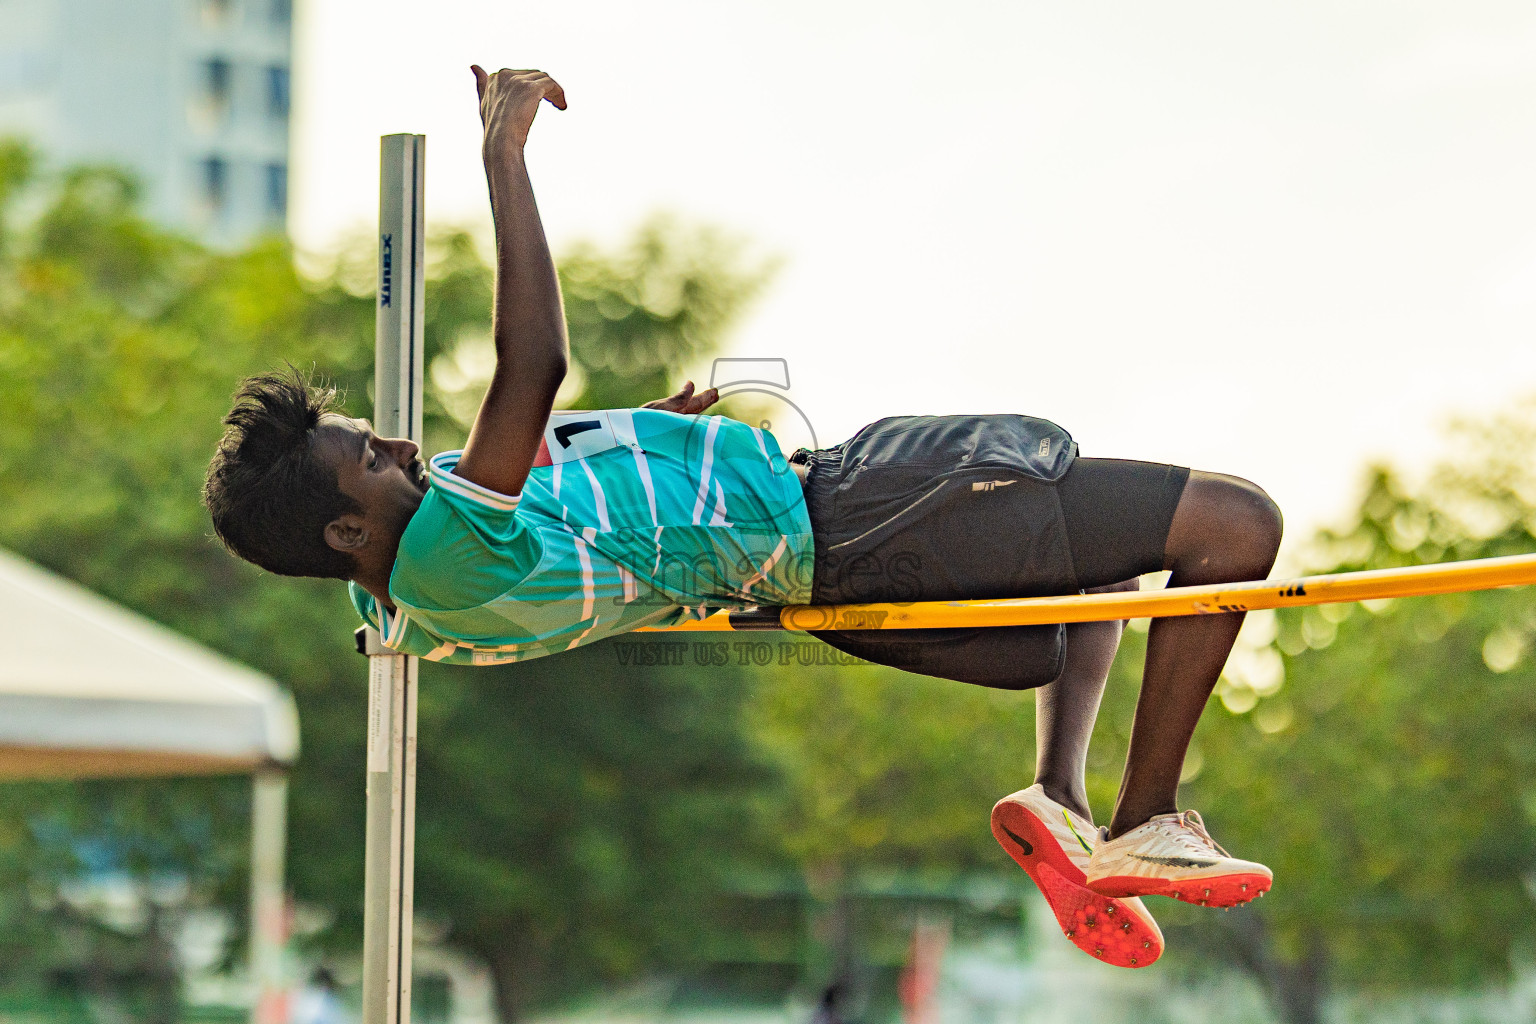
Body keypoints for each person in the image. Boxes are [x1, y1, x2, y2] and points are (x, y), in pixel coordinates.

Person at [202, 67, 1283, 970]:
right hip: (849, 518)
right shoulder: (437, 554)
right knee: (1231, 527)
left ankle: (1061, 799)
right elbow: (531, 366)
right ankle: (1146, 816)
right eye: (370, 456)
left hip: (826, 530)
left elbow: (554, 501)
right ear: (349, 532)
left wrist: (645, 434)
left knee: (1098, 575)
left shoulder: (406, 596)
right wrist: (505, 159)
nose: (398, 445)